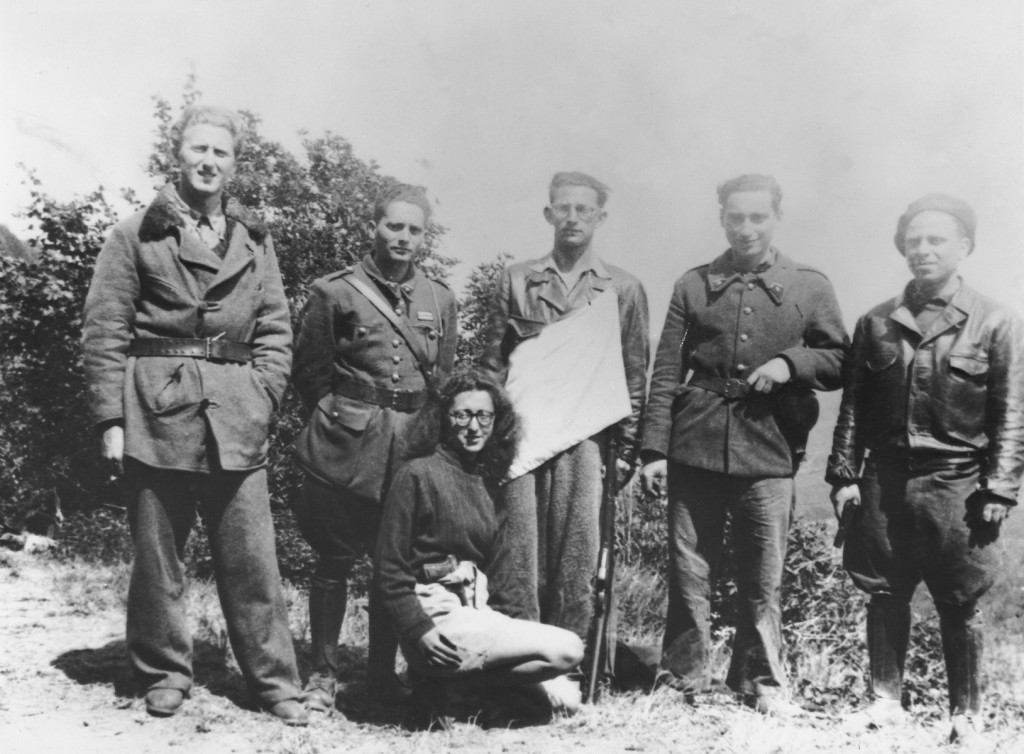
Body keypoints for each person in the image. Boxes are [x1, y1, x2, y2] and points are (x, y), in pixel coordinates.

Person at [81, 105, 307, 724]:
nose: (208, 163)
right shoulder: (134, 235)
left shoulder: (255, 241)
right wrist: (110, 418)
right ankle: (163, 671)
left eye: (221, 153)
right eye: (197, 151)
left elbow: (275, 329)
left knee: (253, 557)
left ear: (235, 165)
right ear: (176, 156)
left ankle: (273, 681)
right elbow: (105, 331)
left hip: (238, 412)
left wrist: (264, 395)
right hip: (157, 408)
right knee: (159, 556)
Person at [640, 174, 847, 714]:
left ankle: (760, 682)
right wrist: (654, 451)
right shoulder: (693, 283)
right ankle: (681, 676)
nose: (746, 228)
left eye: (758, 217)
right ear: (722, 219)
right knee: (690, 566)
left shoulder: (809, 285)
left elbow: (839, 359)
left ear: (776, 217)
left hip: (771, 446)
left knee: (763, 570)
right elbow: (666, 370)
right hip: (695, 442)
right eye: (736, 217)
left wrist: (789, 363)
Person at [827, 194, 1024, 745]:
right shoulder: (877, 322)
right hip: (885, 478)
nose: (923, 250)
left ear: (964, 247)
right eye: (913, 241)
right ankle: (884, 701)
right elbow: (853, 408)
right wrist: (843, 476)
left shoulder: (998, 323)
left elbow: (1012, 414)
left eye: (936, 239)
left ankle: (966, 714)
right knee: (884, 590)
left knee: (959, 599)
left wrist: (999, 490)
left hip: (958, 482)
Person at [291, 184, 458, 711]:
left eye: (414, 229)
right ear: (375, 227)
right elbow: (310, 373)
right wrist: (339, 421)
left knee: (396, 564)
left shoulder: (440, 299)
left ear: (424, 237)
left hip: (408, 448)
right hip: (345, 445)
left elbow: (443, 382)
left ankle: (383, 677)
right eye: (394, 226)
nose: (403, 237)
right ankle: (322, 675)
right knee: (334, 558)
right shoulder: (334, 292)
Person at [480, 171, 649, 656]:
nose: (573, 218)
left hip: (587, 439)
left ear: (600, 217)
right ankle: (518, 658)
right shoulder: (516, 279)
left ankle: (570, 661)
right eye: (564, 208)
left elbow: (634, 374)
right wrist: (491, 437)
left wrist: (626, 453)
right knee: (519, 551)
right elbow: (492, 364)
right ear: (548, 213)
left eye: (584, 209)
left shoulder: (624, 288)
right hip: (523, 436)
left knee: (578, 556)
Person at [375, 370, 585, 728]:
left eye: (483, 416)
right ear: (443, 419)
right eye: (462, 415)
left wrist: (512, 628)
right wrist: (417, 630)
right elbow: (388, 568)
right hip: (434, 619)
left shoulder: (489, 485)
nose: (473, 427)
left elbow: (503, 580)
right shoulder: (416, 474)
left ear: (496, 422)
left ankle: (447, 691)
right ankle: (442, 683)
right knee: (568, 649)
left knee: (569, 700)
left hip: (476, 612)